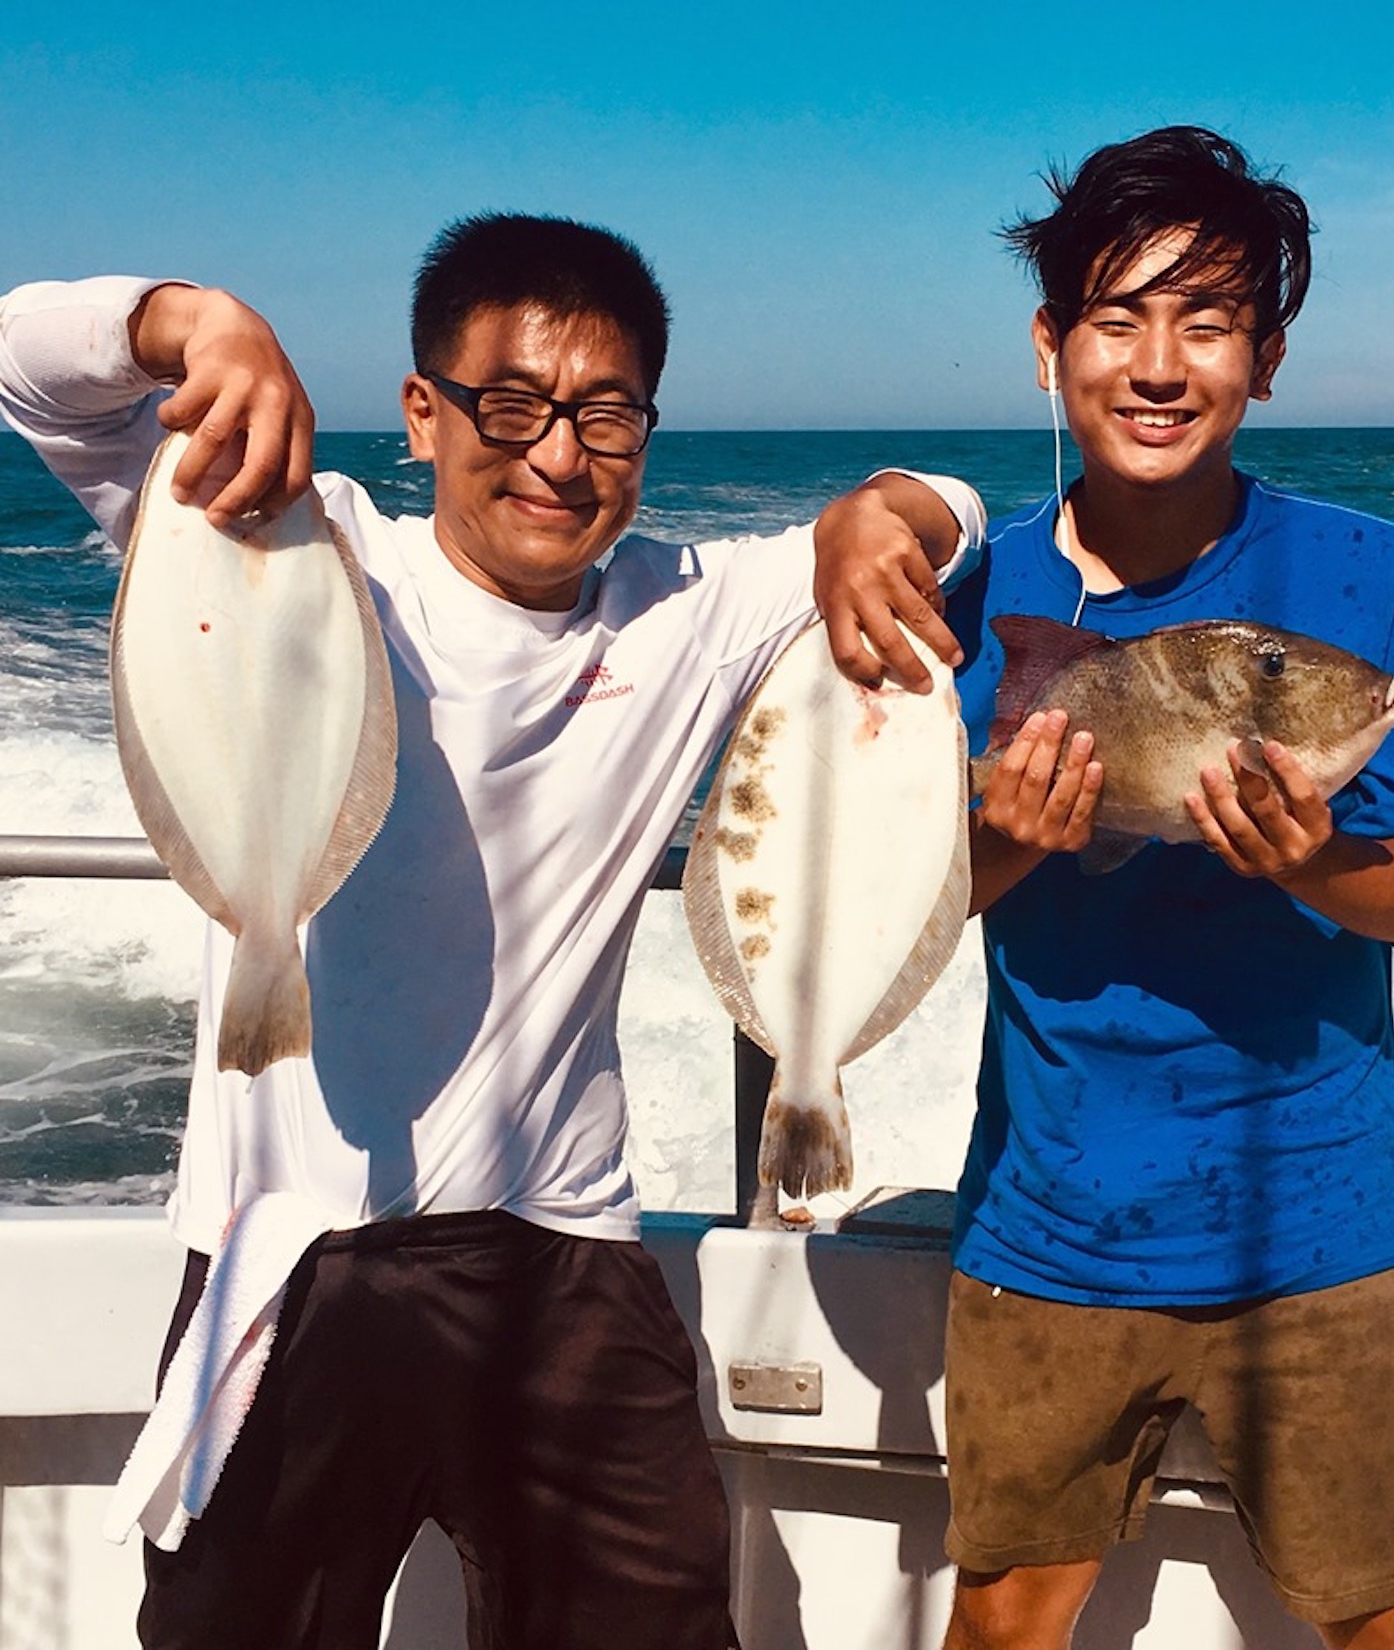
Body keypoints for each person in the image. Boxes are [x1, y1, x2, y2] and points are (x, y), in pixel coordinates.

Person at [0, 215, 984, 1650]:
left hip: (564, 1251)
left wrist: (876, 514)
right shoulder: (292, 538)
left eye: (607, 414)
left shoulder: (688, 608)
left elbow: (957, 504)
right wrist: (190, 322)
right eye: (510, 406)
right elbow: (28, 368)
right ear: (422, 414)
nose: (559, 457)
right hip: (294, 1255)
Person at [937, 126, 1394, 1650]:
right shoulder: (976, 600)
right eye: (1119, 318)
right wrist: (1020, 835)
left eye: (1208, 323)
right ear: (1050, 348)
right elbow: (917, 898)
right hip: (1048, 1229)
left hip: (1329, 1230)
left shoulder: (1381, 583)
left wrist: (1321, 864)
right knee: (1000, 1623)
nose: (1160, 364)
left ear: (1267, 358)